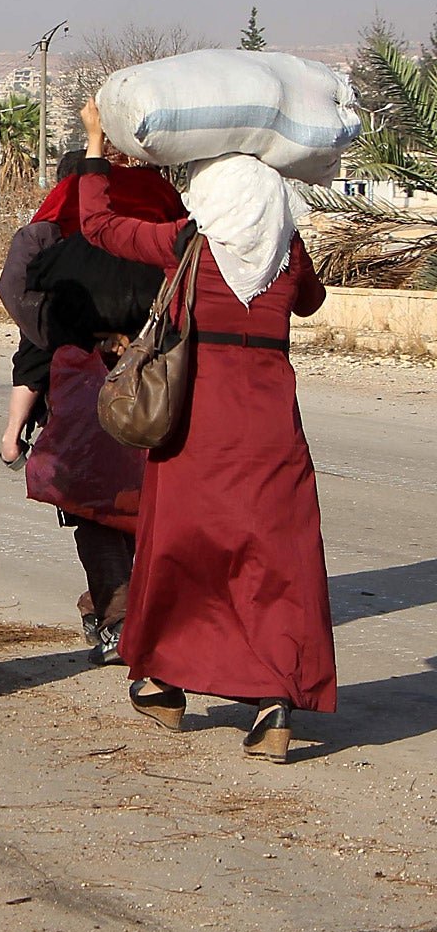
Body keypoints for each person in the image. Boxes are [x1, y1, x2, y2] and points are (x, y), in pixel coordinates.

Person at [77, 98, 332, 764]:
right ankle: (275, 702)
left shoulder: (188, 245)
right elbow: (311, 301)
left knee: (184, 551)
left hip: (197, 423)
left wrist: (97, 147)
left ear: (212, 196)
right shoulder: (286, 256)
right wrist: (282, 245)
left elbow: (99, 225)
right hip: (272, 425)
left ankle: (163, 680)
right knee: (273, 559)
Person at [0, 151, 187, 665]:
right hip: (158, 380)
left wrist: (61, 344)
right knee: (153, 500)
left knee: (96, 508)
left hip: (83, 384)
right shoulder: (168, 225)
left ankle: (119, 615)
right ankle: (142, 610)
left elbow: (18, 295)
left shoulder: (53, 235)